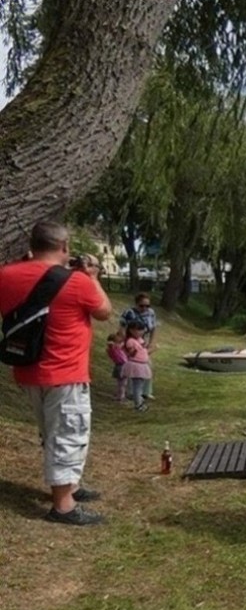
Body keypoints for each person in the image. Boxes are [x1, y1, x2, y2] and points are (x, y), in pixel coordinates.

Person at [0, 221, 113, 525]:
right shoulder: (77, 282)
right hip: (65, 372)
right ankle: (63, 505)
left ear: (32, 245)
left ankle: (70, 486)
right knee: (68, 434)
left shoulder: (6, 275)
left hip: (27, 368)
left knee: (51, 432)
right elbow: (104, 311)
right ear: (64, 247)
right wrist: (92, 276)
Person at [120, 291, 157, 400]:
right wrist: (126, 343)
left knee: (147, 365)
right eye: (142, 305)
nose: (144, 308)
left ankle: (146, 391)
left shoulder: (151, 313)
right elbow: (122, 328)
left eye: (147, 306)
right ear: (136, 304)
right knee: (134, 366)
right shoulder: (129, 313)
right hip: (132, 341)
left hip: (143, 341)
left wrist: (151, 342)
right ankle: (132, 392)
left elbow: (154, 328)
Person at [122, 320, 153, 411]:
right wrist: (135, 349)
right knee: (137, 386)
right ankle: (138, 404)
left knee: (140, 385)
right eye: (138, 330)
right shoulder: (130, 341)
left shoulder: (140, 340)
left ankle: (139, 401)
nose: (140, 332)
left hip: (142, 364)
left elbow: (144, 351)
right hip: (136, 365)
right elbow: (131, 354)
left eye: (142, 329)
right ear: (131, 330)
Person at [106, 328, 127, 402]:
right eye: (118, 342)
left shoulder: (117, 349)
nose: (121, 343)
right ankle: (120, 396)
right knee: (122, 383)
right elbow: (113, 345)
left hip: (123, 365)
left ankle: (120, 395)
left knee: (122, 382)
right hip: (121, 366)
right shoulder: (113, 349)